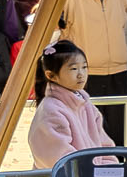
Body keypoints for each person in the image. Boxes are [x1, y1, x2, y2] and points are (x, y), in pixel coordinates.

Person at [54, 0, 127, 133]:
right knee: (89, 130)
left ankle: (123, 163)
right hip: (84, 75)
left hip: (119, 73)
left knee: (122, 130)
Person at [27, 40, 116, 168]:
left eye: (84, 67)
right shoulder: (51, 111)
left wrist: (109, 173)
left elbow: (105, 148)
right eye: (74, 68)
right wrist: (91, 176)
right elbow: (59, 159)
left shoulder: (87, 106)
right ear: (51, 75)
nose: (81, 74)